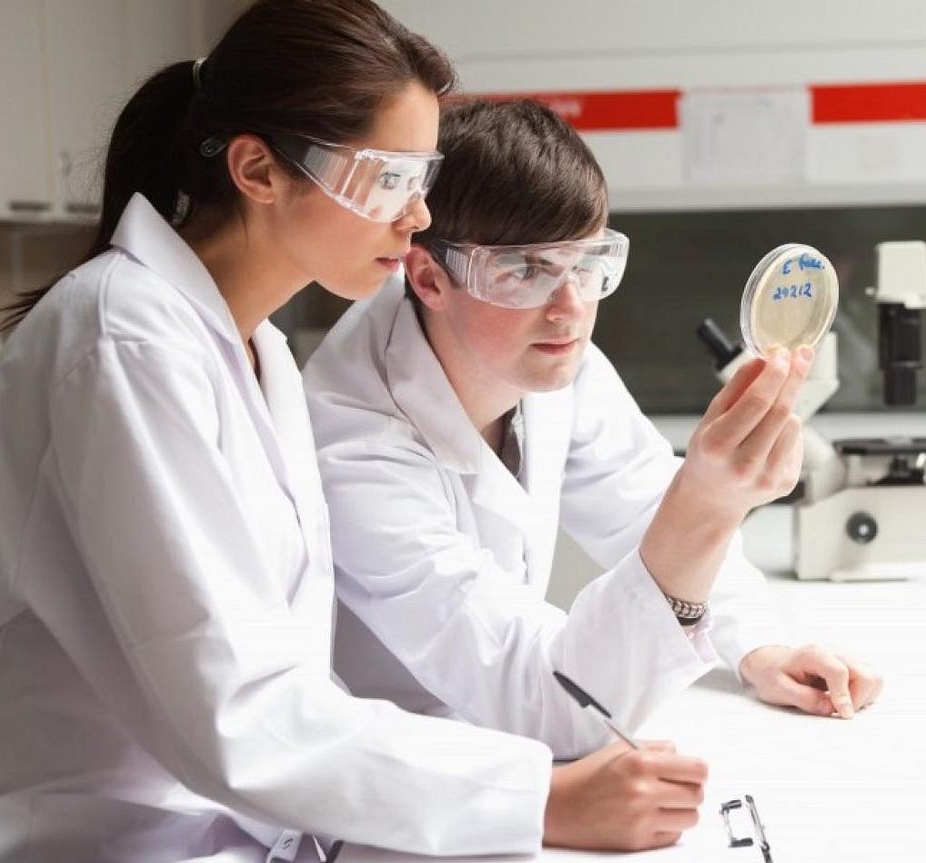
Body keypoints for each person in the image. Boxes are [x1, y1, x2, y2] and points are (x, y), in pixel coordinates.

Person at [0, 4, 705, 863]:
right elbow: (235, 707)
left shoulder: (253, 347)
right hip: (76, 839)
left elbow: (273, 692)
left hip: (219, 826)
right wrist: (542, 797)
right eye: (388, 178)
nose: (419, 215)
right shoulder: (123, 339)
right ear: (258, 171)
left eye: (421, 176)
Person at [304, 98, 884, 760]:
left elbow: (641, 503)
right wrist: (709, 503)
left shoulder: (548, 359)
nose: (571, 308)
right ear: (431, 276)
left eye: (586, 263)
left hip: (499, 748)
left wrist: (758, 643)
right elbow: (550, 703)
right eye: (525, 269)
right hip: (397, 778)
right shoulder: (353, 443)